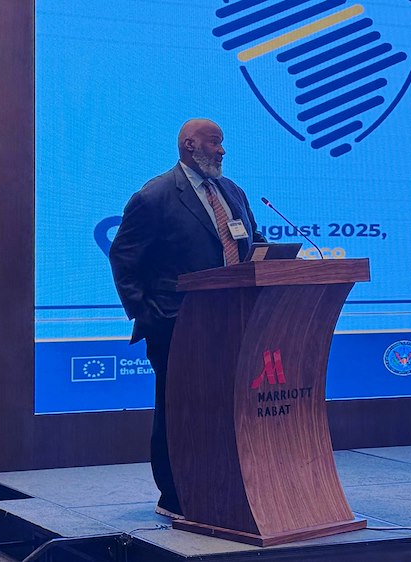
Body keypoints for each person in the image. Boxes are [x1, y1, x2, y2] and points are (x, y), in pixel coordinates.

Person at [108, 119, 266, 518]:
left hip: (234, 322)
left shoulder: (232, 191)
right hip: (176, 326)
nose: (222, 150)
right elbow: (124, 258)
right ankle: (174, 495)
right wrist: (149, 316)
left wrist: (274, 261)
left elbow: (253, 241)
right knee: (178, 410)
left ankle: (221, 485)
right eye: (215, 142)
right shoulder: (155, 196)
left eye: (222, 143)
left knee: (224, 409)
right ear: (189, 144)